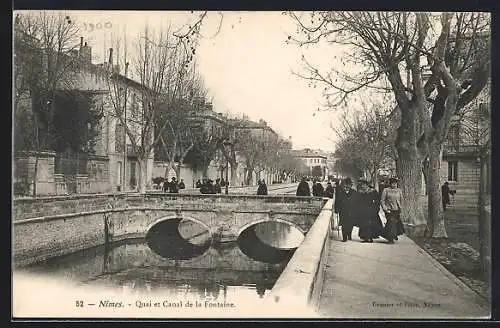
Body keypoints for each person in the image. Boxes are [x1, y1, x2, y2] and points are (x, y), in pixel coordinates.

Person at [380, 177, 404, 243]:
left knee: (395, 223)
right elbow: (382, 200)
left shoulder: (399, 190)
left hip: (396, 209)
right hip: (389, 209)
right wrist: (385, 208)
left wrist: (400, 207)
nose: (394, 185)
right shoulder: (386, 190)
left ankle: (392, 234)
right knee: (391, 222)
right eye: (393, 183)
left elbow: (401, 199)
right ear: (390, 184)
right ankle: (390, 238)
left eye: (395, 183)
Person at [334, 178, 357, 242]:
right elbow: (337, 201)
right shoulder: (341, 192)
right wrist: (336, 209)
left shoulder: (354, 192)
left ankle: (349, 234)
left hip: (351, 211)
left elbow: (357, 202)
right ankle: (344, 237)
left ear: (351, 185)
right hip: (343, 211)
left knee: (350, 224)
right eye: (346, 185)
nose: (347, 186)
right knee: (343, 224)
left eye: (349, 185)